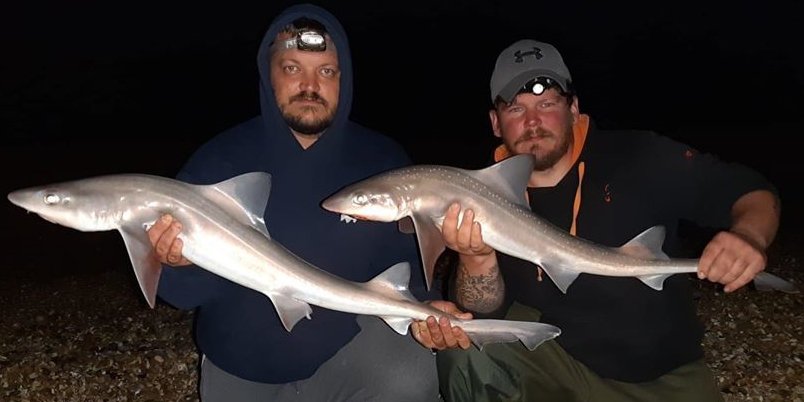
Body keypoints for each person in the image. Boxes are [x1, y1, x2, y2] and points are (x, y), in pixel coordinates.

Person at [413, 39, 781, 402]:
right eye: (515, 109)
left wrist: (749, 235)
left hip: (664, 376)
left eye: (547, 103)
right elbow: (482, 311)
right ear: (495, 122)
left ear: (573, 109)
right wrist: (475, 258)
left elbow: (747, 189)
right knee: (467, 354)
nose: (533, 121)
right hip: (561, 365)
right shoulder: (481, 196)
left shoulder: (638, 156)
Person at [146, 4, 443, 401]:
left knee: (411, 374)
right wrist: (174, 262)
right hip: (242, 363)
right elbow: (179, 296)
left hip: (344, 355)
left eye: (326, 71)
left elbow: (408, 266)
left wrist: (427, 310)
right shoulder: (219, 162)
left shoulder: (382, 163)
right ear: (268, 75)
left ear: (345, 79)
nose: (309, 85)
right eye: (292, 68)